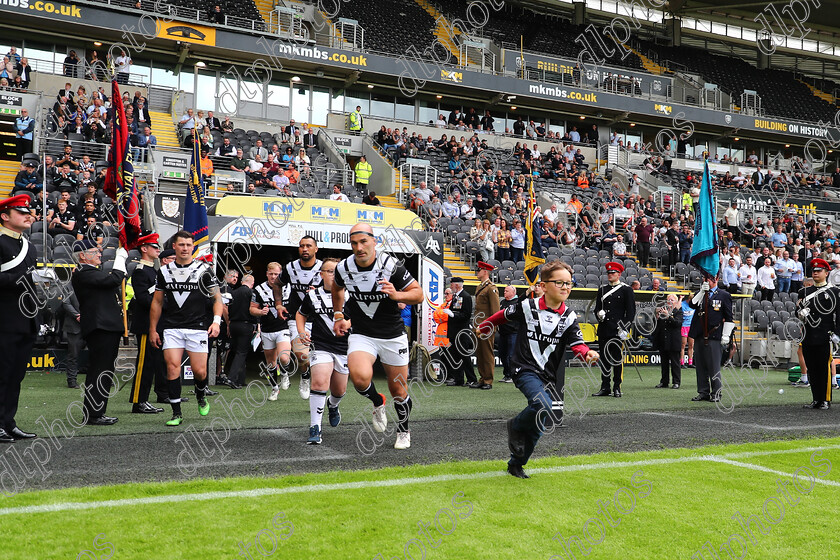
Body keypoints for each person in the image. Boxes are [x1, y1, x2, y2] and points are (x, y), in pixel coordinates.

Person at [477, 261, 599, 478]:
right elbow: (503, 315)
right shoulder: (527, 306)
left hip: (547, 375)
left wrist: (586, 353)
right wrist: (486, 325)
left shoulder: (570, 317)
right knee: (543, 405)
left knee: (538, 425)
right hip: (523, 368)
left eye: (569, 283)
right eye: (559, 283)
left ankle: (516, 464)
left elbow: (577, 343)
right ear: (543, 285)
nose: (565, 287)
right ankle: (514, 425)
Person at [332, 223, 424, 450]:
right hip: (363, 334)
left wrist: (396, 294)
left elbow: (419, 294)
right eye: (354, 243)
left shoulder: (391, 265)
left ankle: (404, 430)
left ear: (375, 241)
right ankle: (377, 401)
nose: (359, 247)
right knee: (360, 377)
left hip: (393, 335)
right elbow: (336, 289)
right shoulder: (343, 267)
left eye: (363, 242)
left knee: (399, 391)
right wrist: (338, 315)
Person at [149, 231, 223, 426]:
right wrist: (153, 329)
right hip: (172, 328)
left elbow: (217, 298)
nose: (185, 248)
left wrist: (216, 321)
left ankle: (200, 394)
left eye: (188, 245)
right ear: (174, 246)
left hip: (198, 328)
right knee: (172, 367)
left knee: (200, 372)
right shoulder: (163, 271)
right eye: (181, 245)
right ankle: (176, 413)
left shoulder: (204, 270)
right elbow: (156, 302)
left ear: (193, 247)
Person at [71, 240, 129, 425]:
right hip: (101, 327)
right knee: (100, 371)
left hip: (105, 326)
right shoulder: (83, 272)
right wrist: (120, 260)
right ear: (82, 255)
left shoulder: (90, 272)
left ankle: (96, 412)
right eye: (95, 252)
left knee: (104, 370)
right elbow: (112, 279)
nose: (99, 255)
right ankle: (94, 414)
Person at [297, 258, 349, 444]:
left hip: (344, 348)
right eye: (329, 271)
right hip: (321, 345)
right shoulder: (312, 296)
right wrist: (302, 332)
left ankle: (332, 405)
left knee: (339, 390)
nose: (333, 275)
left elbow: (359, 317)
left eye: (336, 272)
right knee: (319, 383)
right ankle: (315, 428)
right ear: (321, 274)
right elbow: (300, 314)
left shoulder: (349, 294)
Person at [0, 195, 38, 442]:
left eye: (29, 212)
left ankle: (8, 422)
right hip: (3, 320)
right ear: (4, 216)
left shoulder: (29, 246)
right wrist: (24, 278)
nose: (28, 216)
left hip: (26, 320)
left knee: (15, 377)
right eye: (21, 212)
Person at [127, 233, 167, 413]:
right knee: (144, 364)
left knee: (150, 364)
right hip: (145, 324)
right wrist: (162, 305)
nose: (157, 249)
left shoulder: (153, 270)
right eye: (154, 246)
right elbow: (143, 298)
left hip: (155, 323)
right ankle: (138, 401)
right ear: (144, 249)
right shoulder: (140, 271)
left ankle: (143, 399)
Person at [281, 236, 324, 400]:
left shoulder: (323, 268)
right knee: (302, 355)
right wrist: (278, 304)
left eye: (308, 246)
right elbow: (278, 283)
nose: (304, 249)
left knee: (320, 358)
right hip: (296, 317)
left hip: (320, 319)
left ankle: (318, 387)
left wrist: (319, 290)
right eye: (301, 246)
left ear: (316, 248)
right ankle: (305, 376)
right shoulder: (291, 267)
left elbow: (337, 288)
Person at [795, 258, 838, 410]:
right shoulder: (805, 291)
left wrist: (837, 334)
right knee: (812, 368)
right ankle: (816, 399)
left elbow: (838, 315)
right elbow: (797, 312)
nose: (815, 273)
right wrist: (801, 313)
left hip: (825, 335)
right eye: (813, 271)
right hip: (808, 335)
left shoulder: (834, 292)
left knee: (823, 368)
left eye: (819, 271)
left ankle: (825, 399)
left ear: (826, 273)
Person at [688, 275, 734, 403]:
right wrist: (702, 291)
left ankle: (716, 393)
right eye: (705, 278)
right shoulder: (701, 293)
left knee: (714, 367)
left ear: (716, 278)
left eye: (709, 278)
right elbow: (692, 304)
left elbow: (729, 317)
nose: (706, 280)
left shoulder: (724, 295)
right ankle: (703, 392)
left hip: (714, 335)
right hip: (699, 334)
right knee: (700, 367)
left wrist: (726, 335)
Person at [593, 261, 636, 398]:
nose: (610, 275)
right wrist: (599, 314)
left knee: (617, 359)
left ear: (619, 274)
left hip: (618, 331)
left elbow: (630, 313)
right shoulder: (602, 290)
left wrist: (625, 328)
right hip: (604, 329)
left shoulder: (626, 290)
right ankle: (605, 387)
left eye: (613, 273)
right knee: (604, 360)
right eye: (609, 273)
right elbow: (597, 308)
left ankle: (617, 386)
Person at [251, 262, 292, 399]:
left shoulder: (288, 287)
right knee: (270, 363)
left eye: (276, 274)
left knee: (284, 357)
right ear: (267, 274)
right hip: (267, 329)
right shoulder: (259, 289)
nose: (274, 277)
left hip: (283, 327)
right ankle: (275, 388)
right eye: (271, 274)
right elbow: (251, 309)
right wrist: (260, 311)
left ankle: (285, 373)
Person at [443, 277, 477, 387]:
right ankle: (459, 379)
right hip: (454, 331)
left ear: (456, 285)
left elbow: (466, 315)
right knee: (455, 356)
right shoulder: (456, 296)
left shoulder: (466, 297)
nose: (450, 287)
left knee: (464, 356)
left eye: (452, 285)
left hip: (462, 332)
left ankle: (472, 379)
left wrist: (453, 314)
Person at [473, 262, 500, 390]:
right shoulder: (480, 287)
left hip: (487, 327)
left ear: (485, 272)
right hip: (479, 326)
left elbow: (495, 310)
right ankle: (482, 378)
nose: (477, 272)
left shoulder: (491, 288)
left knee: (487, 353)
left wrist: (493, 326)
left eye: (479, 270)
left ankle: (488, 380)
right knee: (480, 353)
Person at [226, 273, 256, 388]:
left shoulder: (233, 293)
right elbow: (252, 309)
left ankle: (240, 379)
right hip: (245, 324)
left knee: (237, 351)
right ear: (252, 283)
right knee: (242, 352)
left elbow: (228, 307)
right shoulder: (250, 293)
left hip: (233, 324)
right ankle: (232, 378)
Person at [653, 294, 683, 389]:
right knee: (664, 363)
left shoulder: (679, 312)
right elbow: (658, 326)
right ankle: (664, 381)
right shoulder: (663, 311)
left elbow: (677, 323)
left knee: (675, 363)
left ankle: (676, 382)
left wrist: (668, 316)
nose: (669, 302)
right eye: (668, 300)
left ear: (675, 302)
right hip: (664, 341)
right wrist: (657, 316)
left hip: (674, 341)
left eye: (672, 300)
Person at [680, 296, 695, 367]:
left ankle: (690, 362)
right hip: (684, 326)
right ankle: (681, 362)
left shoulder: (694, 305)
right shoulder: (682, 304)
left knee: (691, 345)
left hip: (691, 326)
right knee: (683, 344)